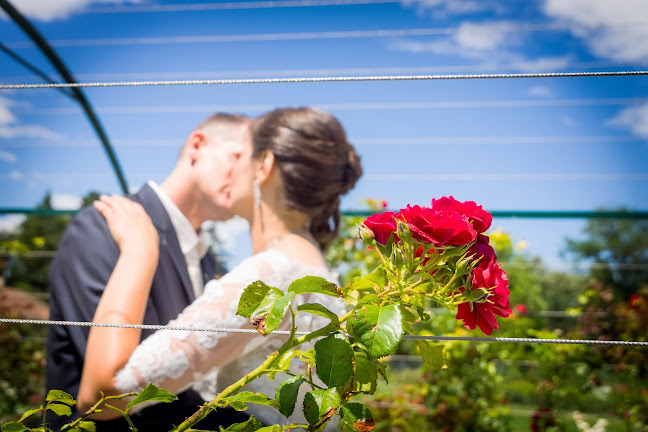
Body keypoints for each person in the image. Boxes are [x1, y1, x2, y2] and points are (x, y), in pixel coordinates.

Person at [75, 107, 363, 428]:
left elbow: (102, 397)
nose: (230, 170)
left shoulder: (268, 277)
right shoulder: (314, 267)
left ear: (264, 166)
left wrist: (139, 250)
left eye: (239, 156)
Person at [45, 113, 252, 431]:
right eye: (238, 158)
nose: (245, 178)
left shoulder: (211, 264)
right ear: (197, 145)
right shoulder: (106, 227)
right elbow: (121, 387)